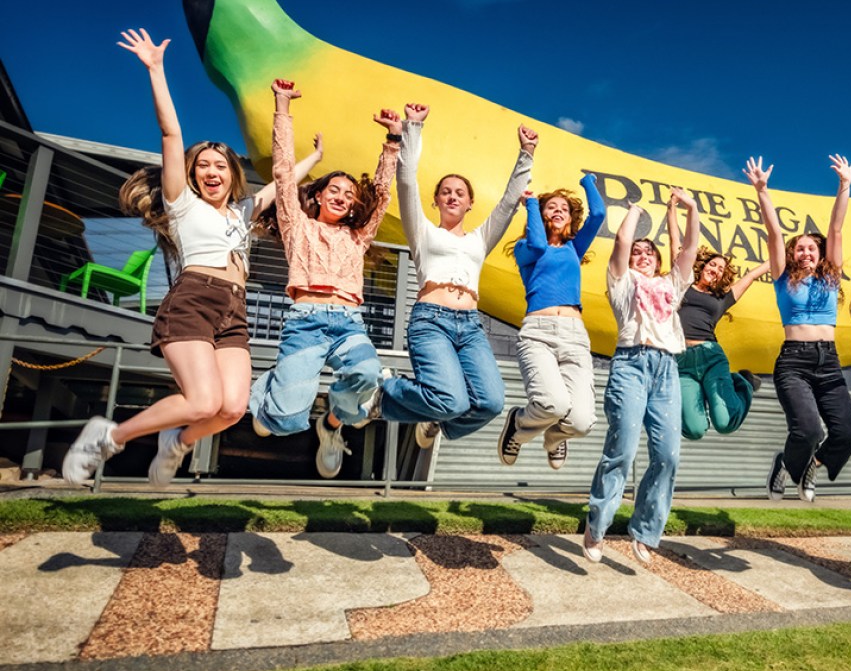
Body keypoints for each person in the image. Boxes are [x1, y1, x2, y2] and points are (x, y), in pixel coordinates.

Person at [63, 30, 315, 488]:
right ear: (194, 175)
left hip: (234, 310)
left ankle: (177, 442)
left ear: (232, 174)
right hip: (193, 301)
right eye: (203, 165)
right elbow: (171, 133)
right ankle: (109, 437)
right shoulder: (182, 204)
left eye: (220, 165)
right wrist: (156, 70)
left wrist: (314, 156)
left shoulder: (243, 211)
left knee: (231, 408)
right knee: (202, 402)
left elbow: (283, 184)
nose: (212, 171)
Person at [248, 80, 419, 477]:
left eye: (349, 194)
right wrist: (282, 107)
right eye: (334, 190)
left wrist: (393, 140)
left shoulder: (358, 236)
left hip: (348, 323)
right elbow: (283, 173)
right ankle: (270, 391)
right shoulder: (297, 225)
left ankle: (331, 424)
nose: (342, 196)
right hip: (305, 322)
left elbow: (381, 194)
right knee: (286, 420)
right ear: (320, 196)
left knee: (368, 374)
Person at [374, 121, 534, 444]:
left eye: (460, 193)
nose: (452, 196)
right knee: (452, 400)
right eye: (445, 192)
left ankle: (438, 420)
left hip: (470, 326)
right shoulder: (423, 232)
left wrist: (527, 152)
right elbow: (406, 182)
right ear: (436, 200)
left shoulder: (480, 239)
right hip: (431, 321)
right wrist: (412, 129)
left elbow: (507, 203)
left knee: (491, 403)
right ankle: (386, 392)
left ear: (470, 203)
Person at [583, 190, 700, 565]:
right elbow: (621, 241)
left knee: (668, 455)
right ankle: (597, 526)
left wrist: (692, 208)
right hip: (631, 364)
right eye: (639, 252)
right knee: (623, 450)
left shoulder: (671, 285)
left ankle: (646, 530)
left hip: (666, 369)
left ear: (659, 261)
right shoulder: (622, 282)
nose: (644, 255)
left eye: (650, 252)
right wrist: (635, 209)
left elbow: (690, 249)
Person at [747, 154, 851, 503]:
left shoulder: (831, 277)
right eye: (800, 248)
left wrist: (845, 185)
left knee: (848, 434)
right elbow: (774, 232)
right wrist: (762, 191)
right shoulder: (782, 278)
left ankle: (812, 464)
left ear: (820, 254)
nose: (806, 252)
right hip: (794, 362)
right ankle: (785, 465)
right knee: (809, 429)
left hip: (829, 362)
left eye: (812, 248)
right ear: (792, 254)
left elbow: (836, 229)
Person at [497, 173, 606, 469]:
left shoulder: (574, 248)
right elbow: (536, 244)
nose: (558, 211)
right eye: (551, 207)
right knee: (552, 404)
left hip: (574, 336)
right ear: (541, 214)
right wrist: (532, 203)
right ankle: (518, 425)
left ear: (570, 218)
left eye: (564, 209)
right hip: (538, 334)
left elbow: (598, 214)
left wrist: (588, 182)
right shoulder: (525, 248)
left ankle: (556, 438)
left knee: (582, 422)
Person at [665, 198, 770, 439]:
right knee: (693, 430)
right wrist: (671, 209)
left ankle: (743, 382)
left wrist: (779, 255)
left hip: (711, 356)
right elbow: (674, 241)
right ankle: (699, 397)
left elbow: (753, 275)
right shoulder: (681, 282)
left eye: (721, 269)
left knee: (725, 423)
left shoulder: (722, 298)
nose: (716, 270)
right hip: (681, 361)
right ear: (703, 266)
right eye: (713, 264)